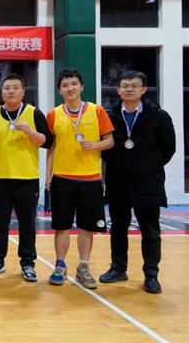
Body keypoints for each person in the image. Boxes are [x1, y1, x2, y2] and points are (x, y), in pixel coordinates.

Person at [99, 70, 175, 294]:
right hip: (118, 182)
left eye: (134, 85)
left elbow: (169, 148)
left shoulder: (159, 116)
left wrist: (148, 166)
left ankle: (151, 274)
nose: (129, 89)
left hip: (148, 183)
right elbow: (104, 147)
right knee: (118, 228)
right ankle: (118, 268)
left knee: (150, 231)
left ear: (143, 90)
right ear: (118, 90)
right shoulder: (109, 115)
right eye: (125, 86)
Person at [46, 67, 114, 289]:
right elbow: (51, 147)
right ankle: (60, 266)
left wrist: (93, 145)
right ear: (60, 90)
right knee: (62, 226)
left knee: (86, 226)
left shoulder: (97, 111)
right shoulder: (53, 114)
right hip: (62, 178)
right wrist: (48, 175)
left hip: (91, 178)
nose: (70, 88)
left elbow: (110, 141)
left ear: (82, 87)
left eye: (74, 84)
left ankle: (83, 267)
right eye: (65, 85)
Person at [0, 74, 52, 282]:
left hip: (27, 178)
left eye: (15, 88)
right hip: (0, 178)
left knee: (27, 224)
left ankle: (28, 263)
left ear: (23, 92)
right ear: (2, 92)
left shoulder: (34, 113)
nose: (11, 91)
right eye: (7, 88)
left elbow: (48, 142)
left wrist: (31, 132)